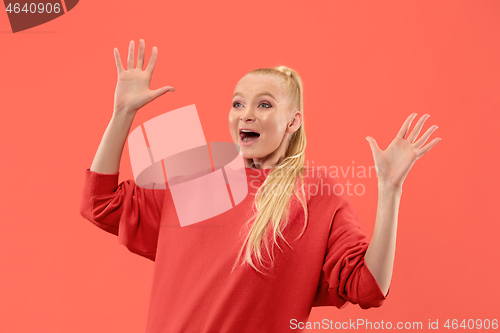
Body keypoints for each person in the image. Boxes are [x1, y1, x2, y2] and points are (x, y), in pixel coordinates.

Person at [79, 39, 441, 333]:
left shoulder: (315, 194)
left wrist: (390, 188)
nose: (246, 114)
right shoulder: (195, 173)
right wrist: (122, 114)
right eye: (238, 104)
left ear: (292, 122)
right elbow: (100, 203)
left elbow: (369, 287)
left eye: (264, 104)